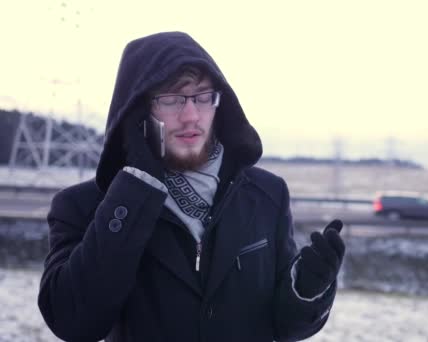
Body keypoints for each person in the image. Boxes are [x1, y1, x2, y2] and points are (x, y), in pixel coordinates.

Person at [38, 31, 345, 342]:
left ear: (218, 105)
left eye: (202, 97)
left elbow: (285, 327)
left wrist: (306, 289)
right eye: (171, 99)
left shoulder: (267, 195)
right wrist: (135, 189)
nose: (190, 115)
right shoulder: (85, 206)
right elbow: (73, 323)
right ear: (139, 112)